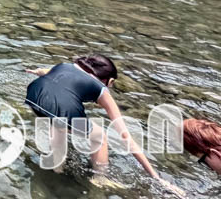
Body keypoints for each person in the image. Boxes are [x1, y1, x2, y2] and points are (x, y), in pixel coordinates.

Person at [25, 55, 183, 194]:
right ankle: (99, 178)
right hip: (62, 107)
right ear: (110, 80)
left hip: (33, 96)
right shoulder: (101, 89)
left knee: (59, 123)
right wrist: (156, 177)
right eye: (111, 84)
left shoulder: (64, 66)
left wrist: (36, 71)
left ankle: (57, 167)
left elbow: (46, 73)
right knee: (100, 136)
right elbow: (125, 135)